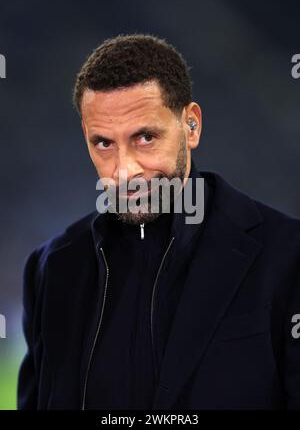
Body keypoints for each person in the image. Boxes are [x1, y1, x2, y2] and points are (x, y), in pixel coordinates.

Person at [17, 34, 300, 410]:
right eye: (103, 143)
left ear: (192, 125)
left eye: (145, 137)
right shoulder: (51, 269)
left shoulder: (287, 255)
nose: (124, 170)